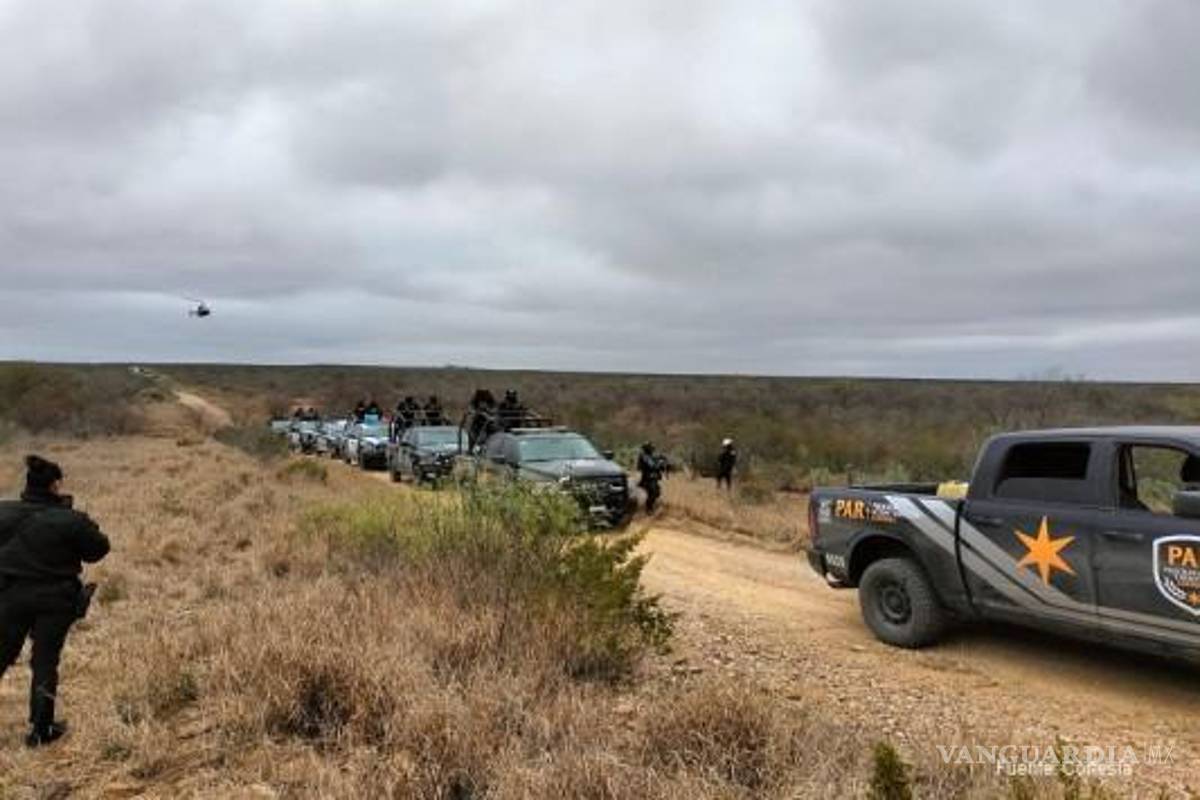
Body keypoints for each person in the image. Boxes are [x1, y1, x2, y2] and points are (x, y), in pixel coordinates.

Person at [0, 456, 110, 747]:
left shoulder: (3, 513)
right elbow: (98, 550)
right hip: (56, 600)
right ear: (55, 485)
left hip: (11, 596)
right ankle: (41, 730)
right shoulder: (71, 520)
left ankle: (42, 729)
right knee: (45, 662)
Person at [637, 442, 666, 513]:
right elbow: (652, 465)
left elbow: (659, 464)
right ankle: (648, 509)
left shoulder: (651, 456)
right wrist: (660, 463)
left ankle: (649, 507)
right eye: (650, 448)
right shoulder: (644, 456)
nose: (652, 449)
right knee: (652, 493)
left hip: (653, 478)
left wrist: (663, 461)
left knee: (656, 493)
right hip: (648, 478)